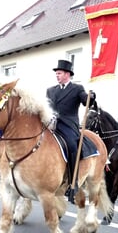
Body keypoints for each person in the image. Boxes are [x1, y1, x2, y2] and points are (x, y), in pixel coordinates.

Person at [46, 59, 96, 195]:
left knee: (73, 146)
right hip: (51, 124)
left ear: (67, 74)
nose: (57, 75)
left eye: (59, 73)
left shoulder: (77, 88)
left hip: (68, 124)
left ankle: (73, 184)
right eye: (56, 73)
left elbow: (85, 101)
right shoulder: (50, 90)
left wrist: (91, 97)